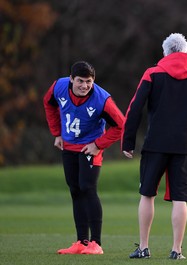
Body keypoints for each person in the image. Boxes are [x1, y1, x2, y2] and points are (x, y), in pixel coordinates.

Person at [122, 33, 187, 260]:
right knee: (180, 198)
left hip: (155, 142)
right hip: (183, 143)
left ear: (165, 52)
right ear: (185, 52)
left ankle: (144, 248)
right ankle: (176, 250)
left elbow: (135, 106)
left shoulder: (153, 73)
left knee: (147, 194)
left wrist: (128, 141)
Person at [43, 61, 125, 255]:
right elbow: (48, 103)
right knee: (75, 190)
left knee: (88, 188)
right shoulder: (58, 87)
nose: (84, 86)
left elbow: (121, 125)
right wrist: (57, 133)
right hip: (69, 146)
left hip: (90, 148)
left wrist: (98, 145)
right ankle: (81, 242)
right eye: (80, 81)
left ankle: (96, 243)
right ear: (71, 79)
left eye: (88, 81)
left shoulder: (102, 99)